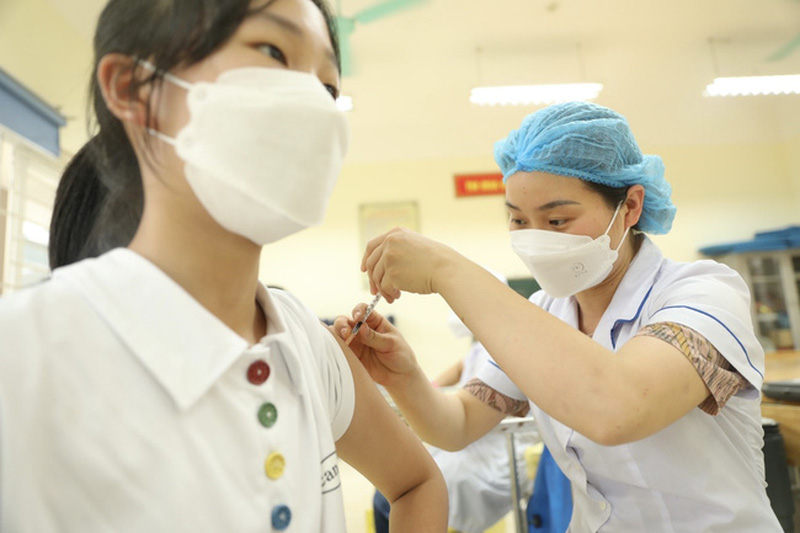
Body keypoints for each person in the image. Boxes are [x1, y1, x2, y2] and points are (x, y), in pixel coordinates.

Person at [0, 1, 448, 532]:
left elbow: (418, 483)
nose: (314, 104)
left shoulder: (307, 342)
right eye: (272, 51)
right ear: (133, 88)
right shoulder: (27, 354)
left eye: (328, 87)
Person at [336, 101, 783, 531]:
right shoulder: (544, 313)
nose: (535, 240)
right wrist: (405, 377)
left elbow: (619, 408)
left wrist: (447, 270)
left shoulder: (703, 294)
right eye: (518, 221)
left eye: (556, 222)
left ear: (630, 206)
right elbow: (457, 425)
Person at [373, 285, 537, 533]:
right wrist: (426, 386)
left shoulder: (511, 346)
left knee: (406, 496)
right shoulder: (481, 348)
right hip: (465, 445)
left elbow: (468, 419)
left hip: (491, 454)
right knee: (389, 494)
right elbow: (459, 374)